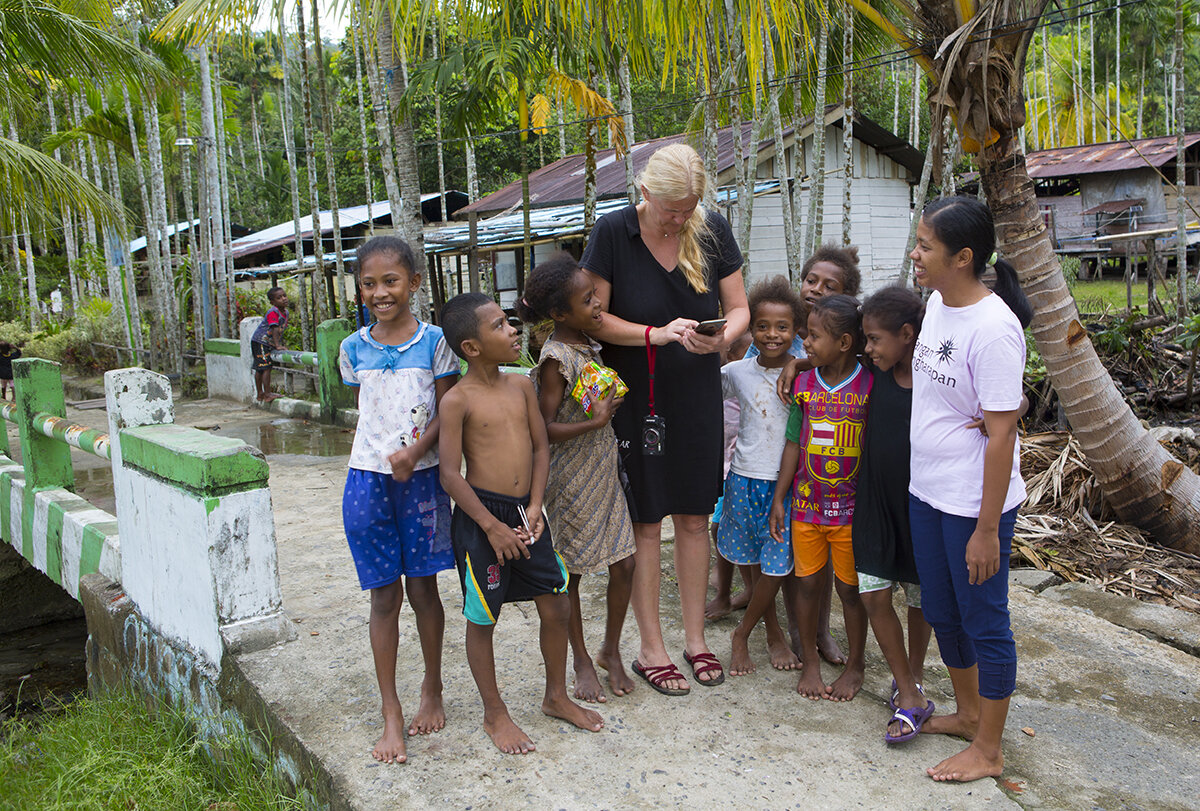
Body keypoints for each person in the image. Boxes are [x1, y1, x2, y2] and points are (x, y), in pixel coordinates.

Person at [581, 143, 750, 694]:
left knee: (696, 517)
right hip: (637, 400)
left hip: (696, 392)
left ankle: (696, 639)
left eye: (689, 208)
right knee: (647, 521)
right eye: (670, 209)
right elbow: (595, 318)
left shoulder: (711, 228)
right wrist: (656, 335)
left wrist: (723, 336)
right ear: (644, 193)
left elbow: (740, 306)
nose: (680, 219)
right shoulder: (612, 234)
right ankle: (650, 647)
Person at [438, 292, 604, 755]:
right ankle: (495, 712)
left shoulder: (521, 386)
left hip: (526, 515)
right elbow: (450, 474)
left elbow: (540, 448)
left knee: (556, 605)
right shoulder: (457, 401)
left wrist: (535, 505)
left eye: (509, 322)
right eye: (499, 326)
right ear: (471, 347)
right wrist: (491, 526)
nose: (513, 330)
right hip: (481, 519)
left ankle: (555, 696)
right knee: (482, 616)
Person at [907, 196, 1032, 782]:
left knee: (985, 620)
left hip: (973, 506)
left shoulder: (995, 328)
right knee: (941, 610)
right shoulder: (936, 303)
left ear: (962, 257)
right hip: (926, 490)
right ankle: (966, 713)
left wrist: (987, 531)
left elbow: (1004, 436)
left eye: (925, 246)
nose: (915, 254)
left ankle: (989, 748)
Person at [337, 237, 459, 764]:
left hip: (424, 481)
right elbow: (368, 411)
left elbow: (448, 408)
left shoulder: (436, 342)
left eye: (391, 281)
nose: (379, 292)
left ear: (414, 283)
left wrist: (417, 451)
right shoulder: (352, 348)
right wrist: (389, 455)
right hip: (366, 482)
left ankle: (431, 686)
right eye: (369, 283)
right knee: (382, 598)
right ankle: (391, 711)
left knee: (424, 590)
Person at [517, 254, 637, 703]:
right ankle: (581, 660)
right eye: (587, 300)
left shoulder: (588, 342)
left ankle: (609, 648)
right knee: (573, 575)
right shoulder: (555, 359)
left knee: (625, 562)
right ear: (559, 314)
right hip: (570, 477)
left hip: (602, 469)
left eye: (595, 296)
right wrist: (593, 422)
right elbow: (542, 429)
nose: (597, 304)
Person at [769, 294, 871, 702]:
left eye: (813, 336)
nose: (804, 342)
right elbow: (793, 442)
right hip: (807, 507)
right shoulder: (805, 383)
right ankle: (809, 659)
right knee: (807, 584)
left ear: (844, 343)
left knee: (849, 590)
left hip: (850, 513)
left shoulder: (869, 383)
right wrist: (780, 497)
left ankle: (856, 665)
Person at [855, 286, 935, 743]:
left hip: (921, 506)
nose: (868, 347)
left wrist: (1017, 406)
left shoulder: (935, 378)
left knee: (919, 598)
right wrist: (798, 363)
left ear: (907, 335)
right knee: (873, 595)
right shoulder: (871, 370)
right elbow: (830, 352)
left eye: (875, 339)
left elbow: (999, 401)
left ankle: (915, 676)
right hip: (874, 504)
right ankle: (908, 692)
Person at [721, 276, 805, 677]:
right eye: (762, 326)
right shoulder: (737, 372)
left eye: (783, 327)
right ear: (751, 329)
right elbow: (703, 394)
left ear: (796, 331)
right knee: (754, 562)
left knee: (777, 567)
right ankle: (772, 632)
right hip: (742, 479)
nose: (772, 335)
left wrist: (800, 361)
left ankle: (743, 632)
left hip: (785, 485)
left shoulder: (804, 376)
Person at [705, 330, 753, 621]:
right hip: (724, 469)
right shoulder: (723, 380)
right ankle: (730, 588)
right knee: (720, 528)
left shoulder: (741, 380)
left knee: (725, 529)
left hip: (739, 470)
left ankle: (739, 590)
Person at [251, 286, 289, 402]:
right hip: (261, 341)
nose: (283, 299)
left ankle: (261, 394)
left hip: (263, 342)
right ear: (273, 302)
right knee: (265, 368)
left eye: (284, 296)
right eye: (279, 298)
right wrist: (277, 345)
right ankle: (266, 394)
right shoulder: (273, 312)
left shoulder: (285, 312)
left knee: (260, 368)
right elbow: (275, 329)